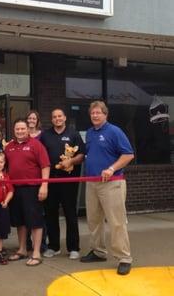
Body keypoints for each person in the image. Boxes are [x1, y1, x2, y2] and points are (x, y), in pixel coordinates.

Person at [80, 100, 134, 276]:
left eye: (98, 113)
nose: (95, 116)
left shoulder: (114, 131)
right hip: (92, 182)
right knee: (94, 221)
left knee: (116, 222)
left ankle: (124, 258)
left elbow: (128, 154)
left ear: (105, 114)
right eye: (92, 113)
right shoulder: (89, 133)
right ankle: (98, 251)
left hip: (112, 183)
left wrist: (111, 168)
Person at [40, 108, 85, 260]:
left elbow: (81, 155)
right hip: (51, 181)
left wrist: (71, 161)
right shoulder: (45, 135)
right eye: (54, 117)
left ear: (65, 118)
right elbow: (39, 155)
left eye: (60, 116)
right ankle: (53, 246)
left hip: (69, 181)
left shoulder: (74, 134)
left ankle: (73, 247)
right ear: (51, 119)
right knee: (51, 214)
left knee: (70, 214)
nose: (57, 119)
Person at [4, 119, 50, 266]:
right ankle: (22, 249)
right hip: (15, 189)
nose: (20, 131)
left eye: (23, 129)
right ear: (14, 130)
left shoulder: (36, 144)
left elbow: (45, 166)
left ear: (27, 130)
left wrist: (44, 185)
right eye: (17, 129)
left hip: (32, 188)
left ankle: (36, 253)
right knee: (20, 222)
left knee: (35, 221)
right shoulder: (9, 147)